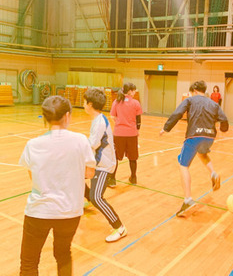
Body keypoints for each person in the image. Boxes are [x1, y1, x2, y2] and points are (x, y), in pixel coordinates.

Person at [19, 96, 96, 276]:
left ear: (45, 117)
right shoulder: (80, 140)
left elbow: (33, 176)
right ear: (67, 116)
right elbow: (89, 173)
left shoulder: (33, 145)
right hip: (70, 213)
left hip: (38, 212)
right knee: (63, 255)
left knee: (29, 262)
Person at [160, 80, 229, 216]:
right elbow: (224, 119)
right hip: (209, 138)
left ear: (195, 91)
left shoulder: (190, 100)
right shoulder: (213, 103)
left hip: (194, 136)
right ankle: (213, 173)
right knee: (202, 154)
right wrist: (223, 129)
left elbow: (177, 113)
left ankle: (188, 200)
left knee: (183, 165)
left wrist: (166, 128)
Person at [83, 88, 127, 242]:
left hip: (104, 165)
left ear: (89, 104)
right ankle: (86, 198)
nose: (83, 104)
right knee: (75, 175)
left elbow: (93, 144)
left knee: (97, 197)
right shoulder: (97, 120)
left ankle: (119, 227)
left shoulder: (100, 121)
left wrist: (77, 145)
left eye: (84, 101)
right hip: (97, 162)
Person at [109, 83, 142, 186]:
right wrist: (137, 129)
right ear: (130, 91)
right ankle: (133, 178)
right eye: (134, 90)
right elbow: (138, 120)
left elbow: (112, 116)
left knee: (115, 157)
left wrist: (119, 123)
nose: (135, 92)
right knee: (133, 157)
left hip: (119, 133)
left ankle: (112, 180)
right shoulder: (136, 103)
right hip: (132, 133)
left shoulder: (116, 102)